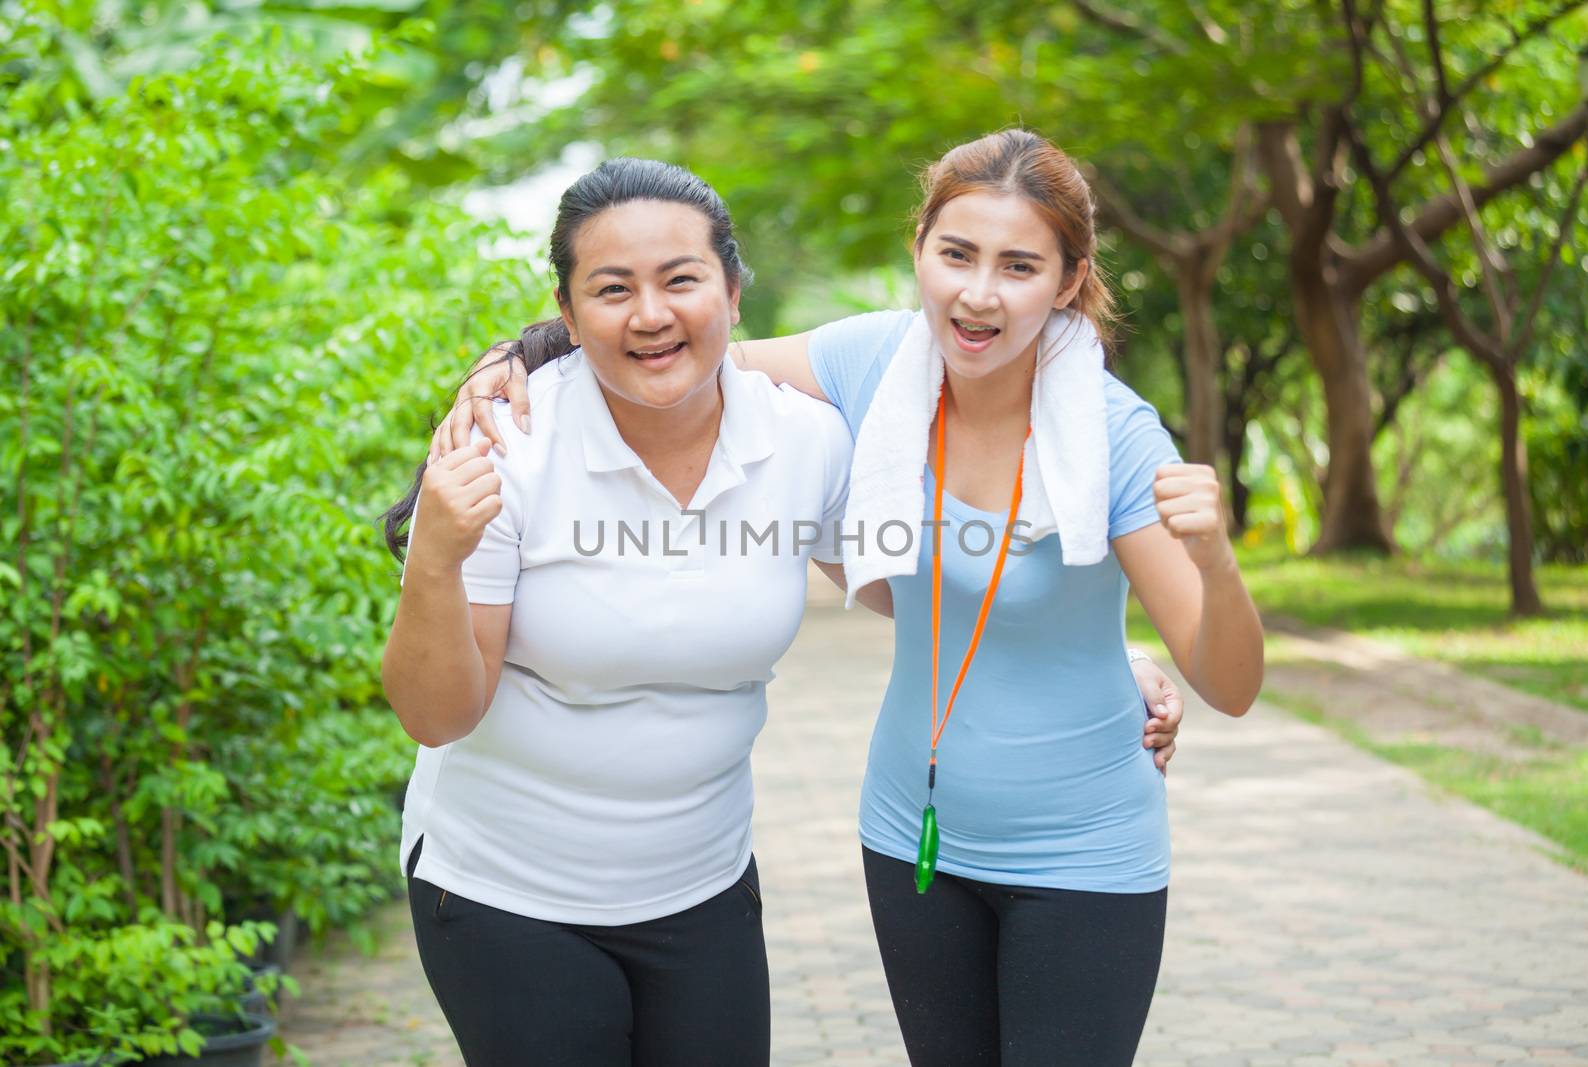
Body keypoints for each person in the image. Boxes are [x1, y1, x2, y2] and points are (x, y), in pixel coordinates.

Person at [438, 129, 1261, 1067]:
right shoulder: (876, 363)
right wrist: (514, 359)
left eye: (1019, 265)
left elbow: (1228, 685)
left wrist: (1214, 563)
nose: (978, 293)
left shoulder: (1113, 437)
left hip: (1086, 851)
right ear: (920, 249)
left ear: (1069, 281)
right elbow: (686, 350)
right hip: (911, 837)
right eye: (956, 254)